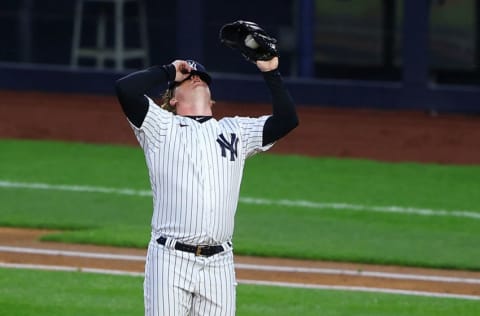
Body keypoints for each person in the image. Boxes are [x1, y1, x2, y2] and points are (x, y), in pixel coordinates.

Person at [115, 55, 298, 315]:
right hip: (170, 260)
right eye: (188, 78)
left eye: (201, 77)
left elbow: (287, 120)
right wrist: (169, 71)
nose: (196, 78)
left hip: (219, 264)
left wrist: (271, 72)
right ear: (173, 99)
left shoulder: (235, 131)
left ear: (212, 99)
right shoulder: (160, 127)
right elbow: (125, 89)